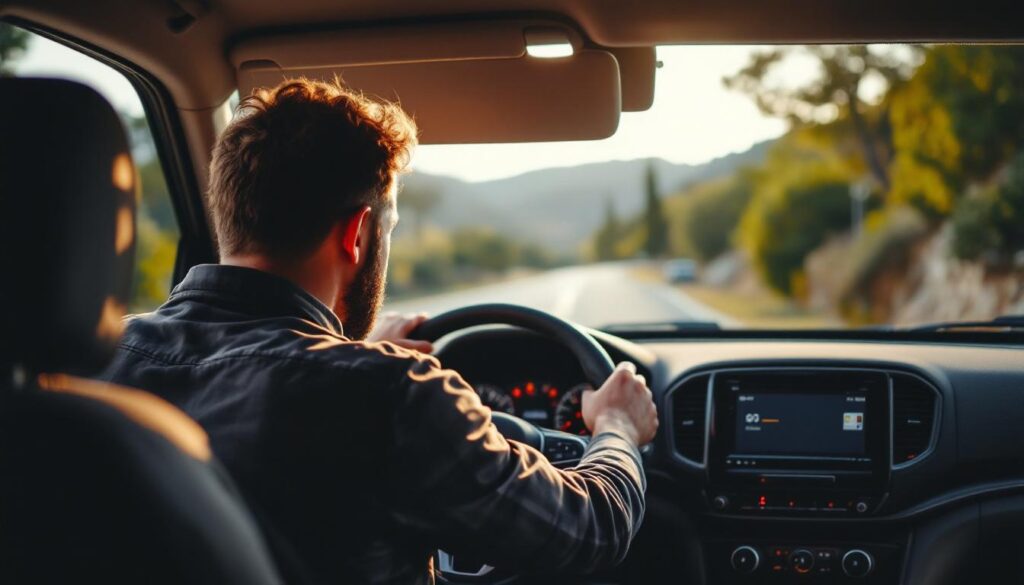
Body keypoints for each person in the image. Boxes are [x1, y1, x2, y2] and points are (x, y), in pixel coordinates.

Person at [101, 79, 658, 585]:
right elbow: (589, 531)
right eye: (387, 227)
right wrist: (615, 425)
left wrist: (355, 355)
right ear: (358, 235)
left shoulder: (93, 365)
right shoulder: (393, 395)